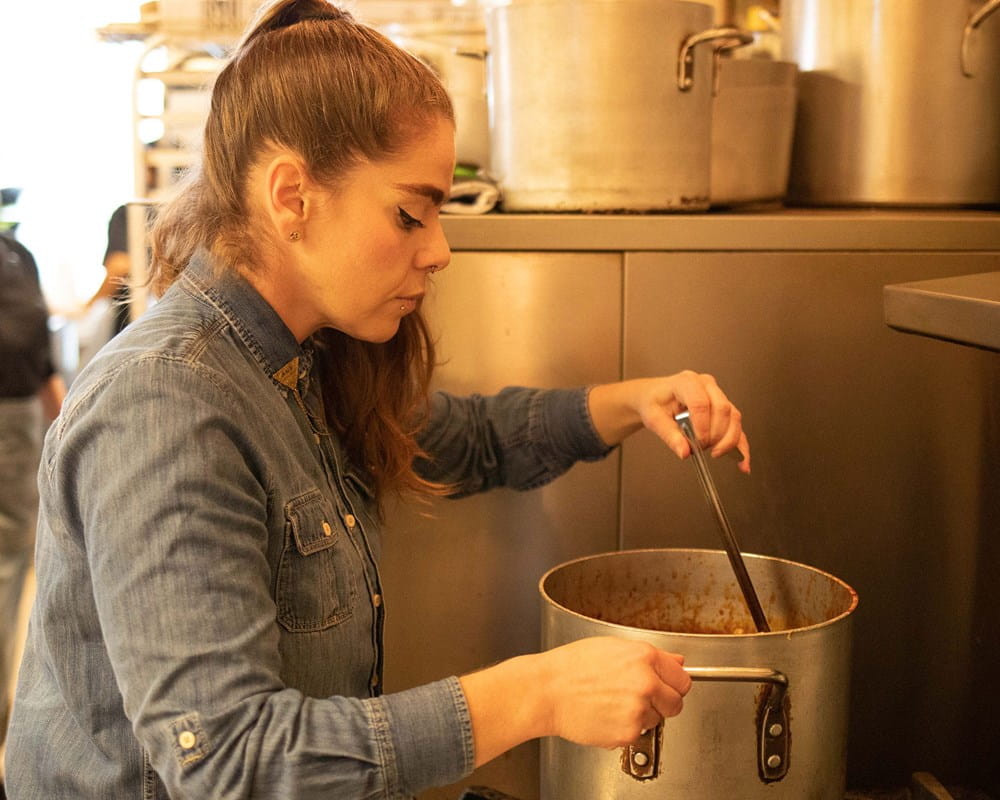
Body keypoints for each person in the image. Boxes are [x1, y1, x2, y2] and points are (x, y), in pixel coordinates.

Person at [4, 2, 750, 797]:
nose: (440, 248)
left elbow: (463, 438)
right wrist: (537, 694)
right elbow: (230, 762)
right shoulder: (166, 405)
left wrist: (629, 402)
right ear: (291, 196)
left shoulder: (297, 364)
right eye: (410, 212)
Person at [0, 226, 65, 798]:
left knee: (11, 557)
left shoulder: (17, 253)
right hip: (13, 410)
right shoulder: (15, 255)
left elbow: (35, 346)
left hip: (15, 413)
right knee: (7, 559)